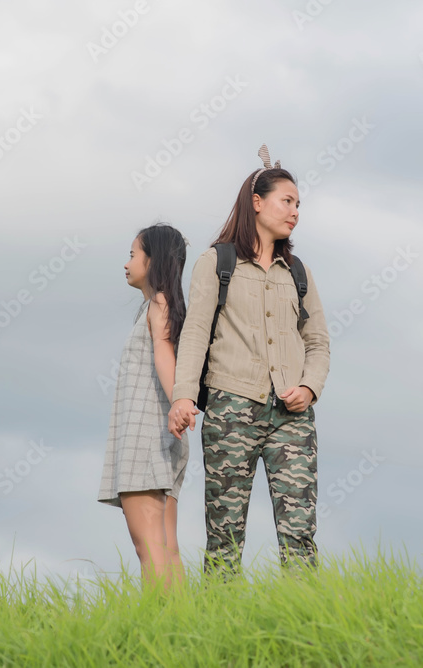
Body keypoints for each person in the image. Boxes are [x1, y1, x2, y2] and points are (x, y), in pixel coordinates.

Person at [167, 144, 331, 576]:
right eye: (287, 201)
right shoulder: (215, 262)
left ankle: (306, 630)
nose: (295, 211)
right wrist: (184, 397)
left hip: (292, 417)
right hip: (231, 411)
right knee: (224, 536)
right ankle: (219, 632)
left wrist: (310, 387)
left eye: (299, 204)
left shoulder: (298, 272)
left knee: (300, 536)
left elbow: (318, 343)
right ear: (257, 203)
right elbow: (196, 335)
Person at [98, 223, 190, 590]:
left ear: (153, 260)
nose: (127, 263)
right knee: (166, 549)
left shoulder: (159, 303)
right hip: (163, 437)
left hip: (145, 437)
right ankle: (182, 626)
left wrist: (177, 404)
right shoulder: (161, 305)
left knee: (148, 548)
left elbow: (164, 356)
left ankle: (162, 628)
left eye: (133, 254)